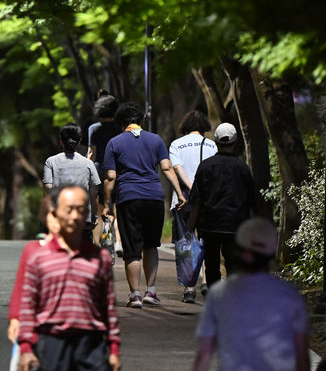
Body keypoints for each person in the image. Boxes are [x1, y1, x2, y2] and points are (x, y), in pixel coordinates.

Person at [187, 217, 310, 371]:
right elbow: (301, 358)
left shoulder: (219, 295)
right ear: (272, 253)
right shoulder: (290, 296)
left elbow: (203, 355)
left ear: (239, 249)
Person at [18, 185, 121, 371]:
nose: (75, 216)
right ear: (56, 213)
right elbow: (27, 305)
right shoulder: (38, 256)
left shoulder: (101, 258)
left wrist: (114, 348)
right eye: (69, 210)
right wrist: (25, 348)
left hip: (92, 344)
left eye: (81, 210)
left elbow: (108, 306)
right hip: (52, 343)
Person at [102, 102, 186, 308]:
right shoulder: (156, 140)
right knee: (151, 245)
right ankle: (151, 291)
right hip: (154, 198)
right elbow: (166, 168)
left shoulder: (114, 142)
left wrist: (106, 203)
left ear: (121, 123)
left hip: (128, 198)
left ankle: (135, 295)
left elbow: (111, 177)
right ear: (141, 121)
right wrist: (180, 192)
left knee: (132, 249)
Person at [187, 122, 255, 295]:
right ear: (235, 142)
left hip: (209, 224)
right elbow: (251, 200)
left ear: (215, 141)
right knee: (233, 262)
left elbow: (196, 200)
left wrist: (190, 227)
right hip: (236, 225)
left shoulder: (205, 166)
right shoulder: (243, 168)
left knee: (211, 263)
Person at [168, 110, 217, 303]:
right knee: (206, 239)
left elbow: (177, 168)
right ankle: (205, 281)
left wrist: (189, 189)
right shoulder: (212, 144)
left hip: (183, 199)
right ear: (203, 126)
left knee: (186, 241)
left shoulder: (176, 144)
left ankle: (189, 288)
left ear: (185, 127)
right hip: (207, 198)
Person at [6, 193, 60, 342]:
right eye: (54, 214)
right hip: (37, 326)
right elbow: (21, 286)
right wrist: (15, 318)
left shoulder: (79, 252)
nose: (59, 220)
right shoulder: (33, 250)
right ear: (45, 216)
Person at [43, 123, 101, 239]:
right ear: (79, 141)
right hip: (84, 218)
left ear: (61, 141)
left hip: (60, 217)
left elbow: (48, 189)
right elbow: (94, 194)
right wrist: (94, 216)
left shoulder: (51, 162)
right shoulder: (88, 164)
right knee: (84, 255)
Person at [87, 93, 124, 253]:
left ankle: (97, 243)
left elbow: (91, 153)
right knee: (118, 208)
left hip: (99, 170)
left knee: (99, 208)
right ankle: (119, 243)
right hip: (117, 169)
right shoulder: (120, 128)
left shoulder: (93, 129)